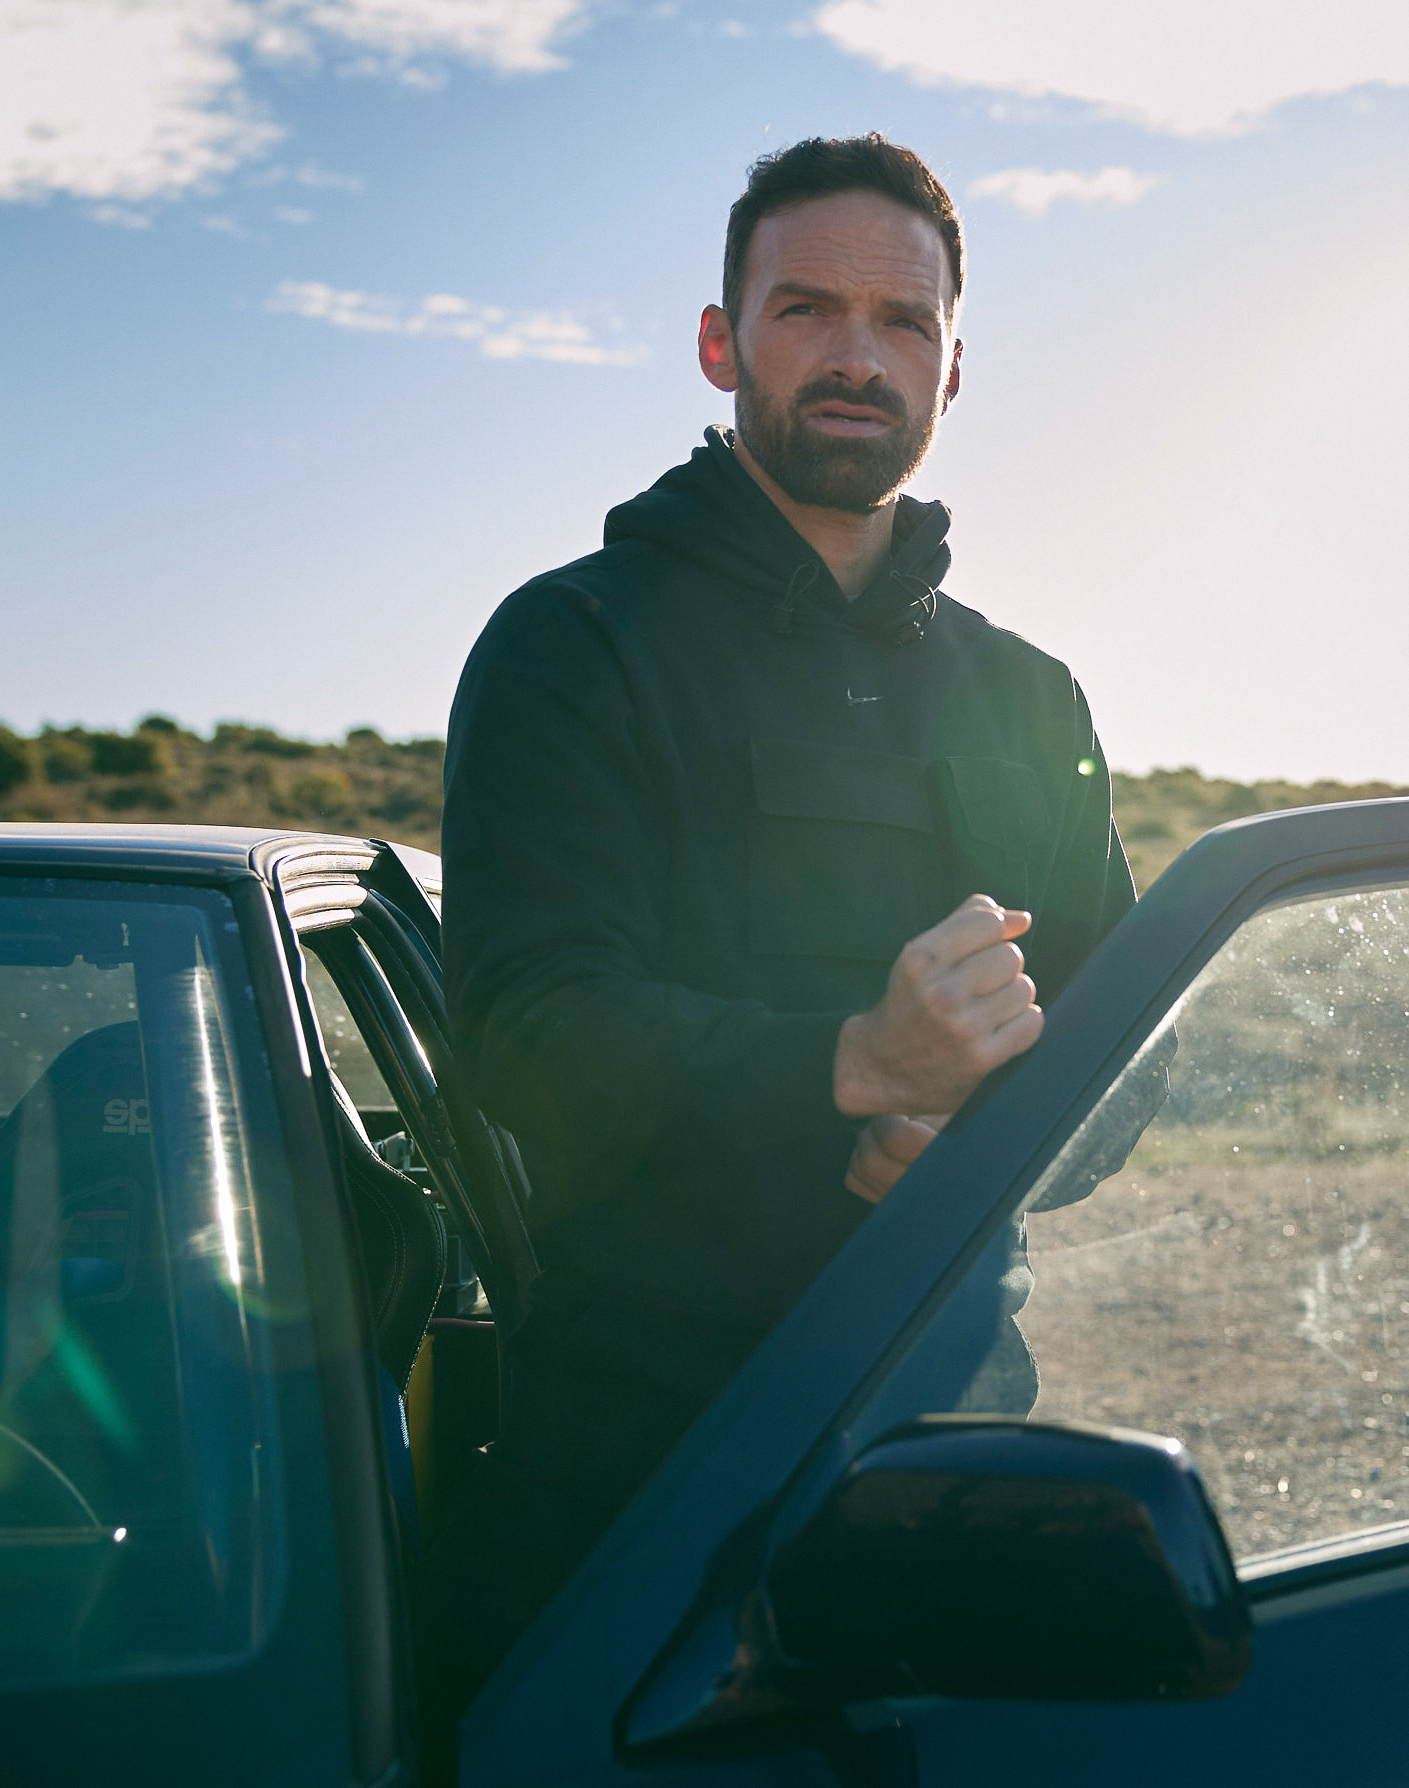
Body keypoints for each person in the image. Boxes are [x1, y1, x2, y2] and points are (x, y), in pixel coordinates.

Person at [431, 132, 1136, 1714]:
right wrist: (854, 1062)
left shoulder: (1029, 695)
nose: (855, 357)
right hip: (635, 1457)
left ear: (952, 369)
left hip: (947, 1429)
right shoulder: (575, 642)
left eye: (901, 322)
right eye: (806, 308)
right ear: (720, 342)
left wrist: (975, 1146)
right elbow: (523, 1031)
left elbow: (1126, 1048)